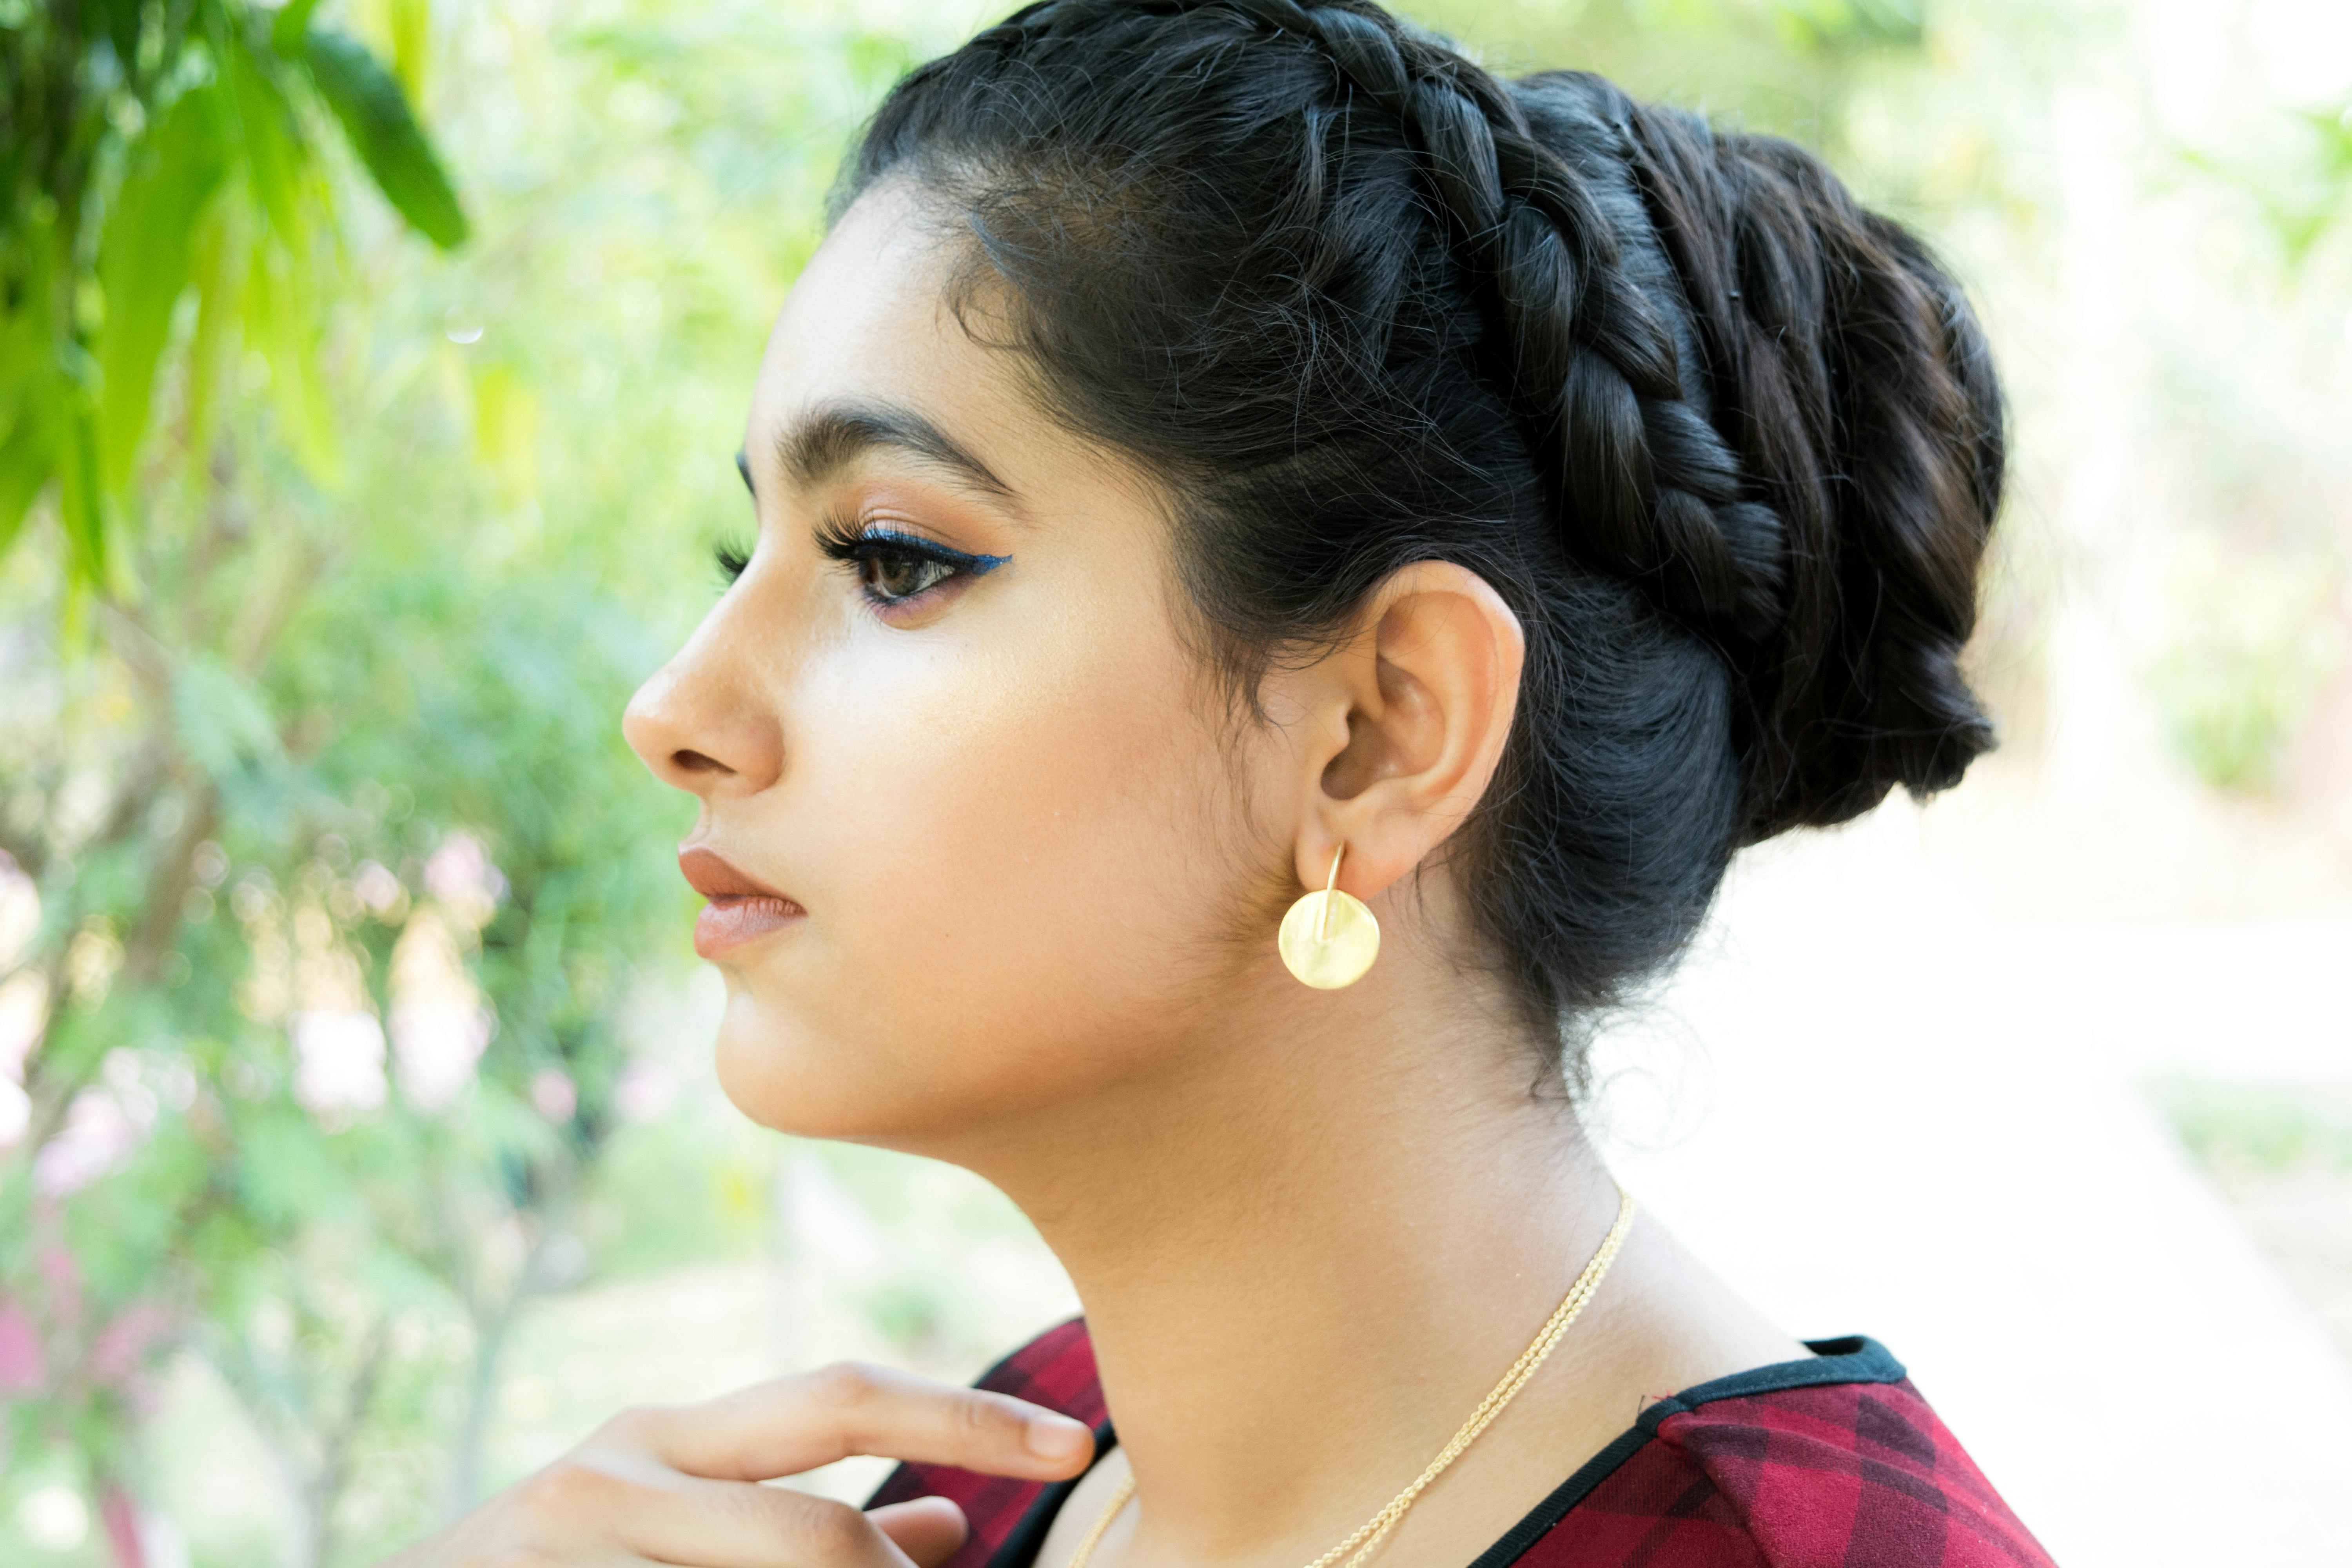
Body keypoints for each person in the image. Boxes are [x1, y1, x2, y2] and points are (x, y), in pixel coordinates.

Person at [383, 1, 2049, 1564]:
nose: (671, 707)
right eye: (741, 548)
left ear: (1379, 732)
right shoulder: (995, 1477)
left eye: (890, 557)